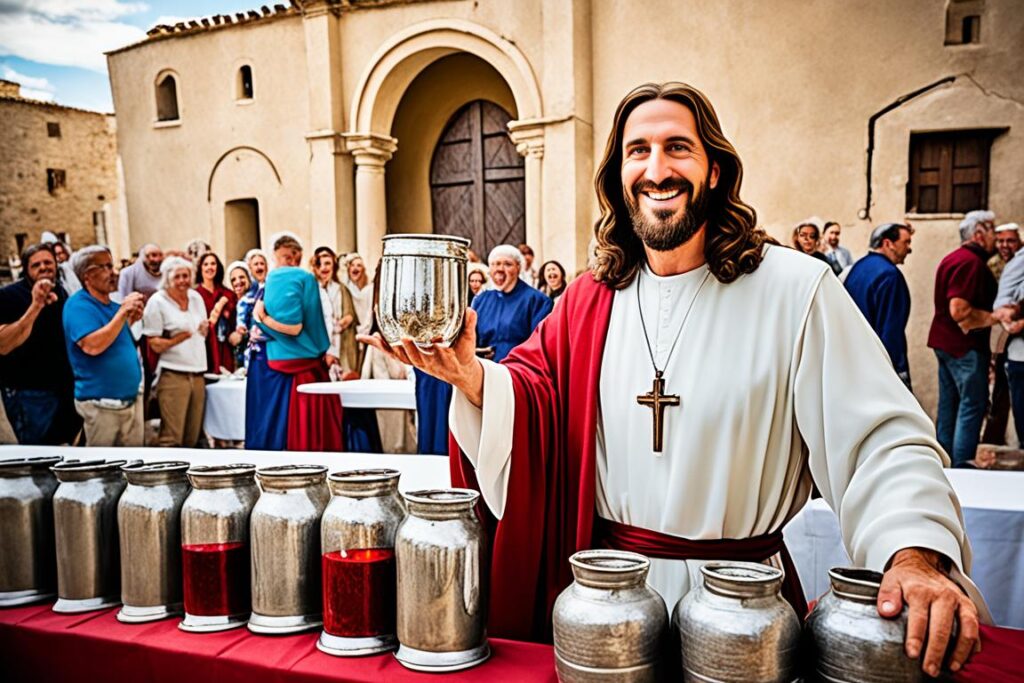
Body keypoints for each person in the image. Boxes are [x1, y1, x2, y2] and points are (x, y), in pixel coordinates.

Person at [362, 82, 985, 677]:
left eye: (677, 148)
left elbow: (881, 439)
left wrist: (913, 552)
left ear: (714, 169)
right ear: (620, 179)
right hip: (605, 612)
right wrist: (473, 379)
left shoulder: (795, 291)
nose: (657, 169)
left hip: (744, 616)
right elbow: (530, 398)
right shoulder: (587, 301)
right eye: (639, 152)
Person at [252, 233, 344, 451]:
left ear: (288, 256)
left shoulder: (279, 278)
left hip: (286, 361)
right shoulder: (307, 280)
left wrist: (263, 319)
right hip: (310, 359)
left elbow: (293, 327)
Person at [927, 210, 997, 468]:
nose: (996, 238)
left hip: (945, 343)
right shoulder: (971, 262)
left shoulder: (953, 258)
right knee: (971, 406)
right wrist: (995, 317)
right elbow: (960, 310)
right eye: (992, 231)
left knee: (950, 406)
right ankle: (962, 468)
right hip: (963, 347)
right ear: (979, 234)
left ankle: (944, 466)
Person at [62, 245, 144, 446]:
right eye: (106, 267)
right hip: (102, 405)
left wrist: (131, 317)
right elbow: (92, 346)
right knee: (101, 472)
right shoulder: (78, 306)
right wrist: (123, 313)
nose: (113, 273)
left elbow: (115, 340)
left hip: (130, 402)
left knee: (133, 469)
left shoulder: (113, 307)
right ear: (88, 275)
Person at [0, 243, 80, 444]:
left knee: (63, 454)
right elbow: (3, 344)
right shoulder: (8, 296)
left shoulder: (61, 292)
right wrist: (35, 306)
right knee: (37, 458)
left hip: (64, 390)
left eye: (48, 262)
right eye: (36, 265)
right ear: (26, 270)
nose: (44, 267)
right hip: (29, 393)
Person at [141, 257, 209, 447]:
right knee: (172, 438)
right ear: (167, 278)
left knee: (192, 437)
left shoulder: (196, 297)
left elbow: (200, 331)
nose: (182, 281)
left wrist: (204, 330)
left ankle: (188, 476)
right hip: (173, 374)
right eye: (177, 276)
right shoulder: (157, 301)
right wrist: (176, 339)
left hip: (198, 373)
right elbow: (153, 343)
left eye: (186, 276)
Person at [844, 223, 914, 388]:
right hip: (878, 368)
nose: (909, 249)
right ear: (888, 243)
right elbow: (891, 332)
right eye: (906, 242)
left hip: (854, 361)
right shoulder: (890, 276)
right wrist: (899, 374)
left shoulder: (858, 267)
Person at [475, 245, 553, 362]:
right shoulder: (480, 301)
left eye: (507, 264)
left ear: (518, 267)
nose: (499, 269)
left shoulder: (538, 301)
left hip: (518, 372)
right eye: (495, 264)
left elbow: (539, 347)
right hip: (483, 371)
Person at [981, 223, 1021, 445]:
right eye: (1001, 241)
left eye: (1010, 241)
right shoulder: (995, 264)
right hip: (1004, 340)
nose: (1005, 245)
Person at [311, 246, 359, 375]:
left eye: (327, 263)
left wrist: (339, 324)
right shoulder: (311, 289)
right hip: (317, 345)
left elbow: (350, 315)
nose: (324, 268)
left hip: (339, 342)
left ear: (334, 266)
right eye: (319, 264)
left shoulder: (341, 289)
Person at [194, 252, 237, 374]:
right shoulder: (194, 295)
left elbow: (235, 321)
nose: (209, 267)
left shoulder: (228, 294)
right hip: (204, 348)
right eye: (206, 264)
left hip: (225, 348)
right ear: (200, 268)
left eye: (213, 263)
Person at [226, 261, 253, 370]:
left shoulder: (255, 301)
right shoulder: (228, 304)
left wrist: (244, 334)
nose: (238, 282)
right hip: (231, 360)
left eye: (242, 277)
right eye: (233, 279)